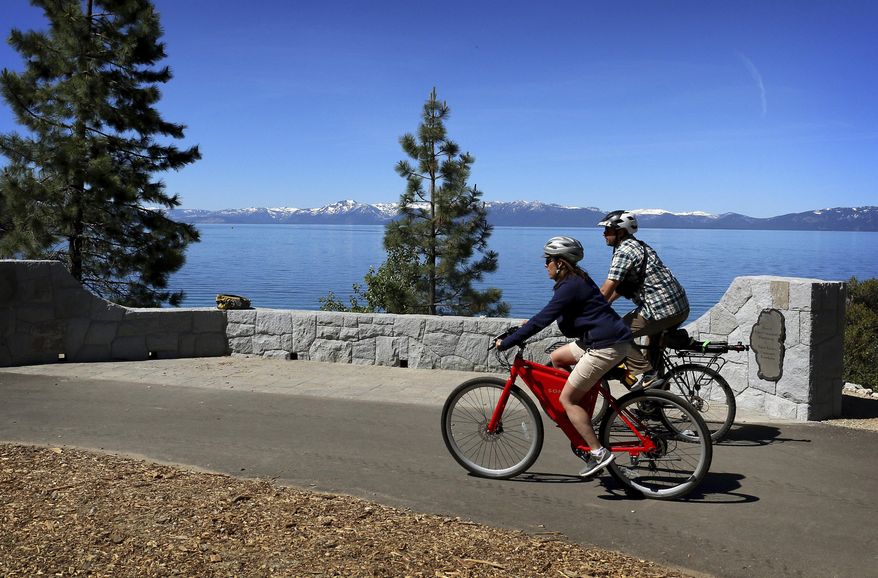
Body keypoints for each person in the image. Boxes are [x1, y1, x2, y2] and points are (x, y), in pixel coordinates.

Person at [496, 236, 633, 477]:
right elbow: (566, 310)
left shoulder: (570, 286)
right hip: (600, 339)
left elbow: (545, 317)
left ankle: (598, 452)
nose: (545, 264)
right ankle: (578, 415)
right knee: (558, 358)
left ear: (559, 263)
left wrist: (508, 341)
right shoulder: (576, 279)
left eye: (548, 260)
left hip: (605, 345)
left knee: (567, 399)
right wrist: (528, 325)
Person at [597, 210, 690, 382]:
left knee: (618, 332)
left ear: (621, 231)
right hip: (679, 307)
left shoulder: (624, 251)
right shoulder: (639, 245)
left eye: (608, 230)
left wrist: (591, 309)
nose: (604, 234)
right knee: (652, 348)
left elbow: (608, 287)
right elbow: (626, 285)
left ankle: (648, 375)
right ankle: (654, 402)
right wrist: (606, 303)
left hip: (662, 311)